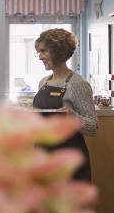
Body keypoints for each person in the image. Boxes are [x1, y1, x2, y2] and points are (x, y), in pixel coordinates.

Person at [33, 28, 98, 182]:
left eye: (43, 51)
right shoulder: (44, 82)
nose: (40, 57)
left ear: (57, 52)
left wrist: (72, 116)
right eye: (39, 52)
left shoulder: (78, 84)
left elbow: (93, 126)